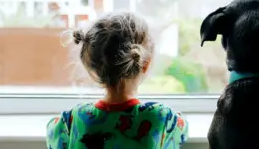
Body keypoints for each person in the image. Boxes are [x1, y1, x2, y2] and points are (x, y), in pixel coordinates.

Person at [46, 12, 188, 148]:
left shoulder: (72, 121)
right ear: (145, 64)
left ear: (92, 69)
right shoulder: (161, 118)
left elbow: (52, 133)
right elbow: (182, 130)